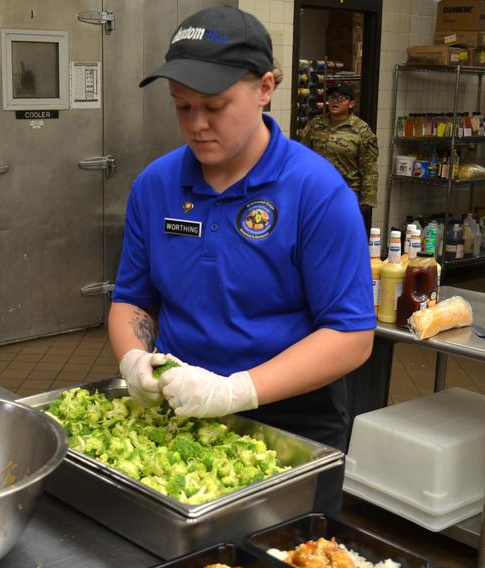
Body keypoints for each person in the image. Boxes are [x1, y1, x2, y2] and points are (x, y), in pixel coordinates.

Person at [108, 5, 375, 516]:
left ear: (265, 87)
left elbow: (351, 336)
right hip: (178, 417)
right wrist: (133, 360)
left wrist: (237, 391)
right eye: (182, 107)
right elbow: (132, 300)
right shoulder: (155, 187)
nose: (197, 124)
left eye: (215, 105)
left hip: (291, 422)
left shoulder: (316, 192)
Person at [303, 83, 379, 233]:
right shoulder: (316, 124)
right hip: (317, 194)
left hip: (347, 196)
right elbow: (302, 158)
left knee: (342, 239)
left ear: (351, 104)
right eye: (332, 97)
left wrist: (366, 201)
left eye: (341, 98)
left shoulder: (361, 130)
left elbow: (369, 167)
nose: (335, 101)